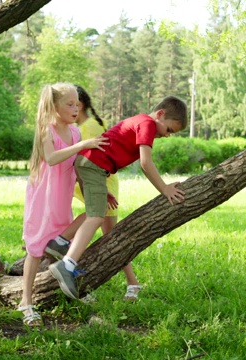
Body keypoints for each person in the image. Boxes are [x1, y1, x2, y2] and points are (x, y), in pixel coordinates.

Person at [48, 95, 188, 300]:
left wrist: (103, 191)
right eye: (168, 130)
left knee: (96, 212)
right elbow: (145, 163)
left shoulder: (140, 121)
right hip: (93, 165)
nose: (167, 136)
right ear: (160, 114)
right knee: (97, 217)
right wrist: (164, 188)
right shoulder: (147, 124)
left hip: (91, 165)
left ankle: (59, 242)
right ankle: (67, 265)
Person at [17, 82, 108, 326]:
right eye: (69, 104)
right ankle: (26, 302)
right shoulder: (47, 130)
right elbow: (52, 158)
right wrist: (82, 146)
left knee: (69, 237)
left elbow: (77, 168)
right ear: (54, 106)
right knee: (36, 249)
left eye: (77, 103)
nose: (75, 108)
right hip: (43, 198)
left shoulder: (76, 133)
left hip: (62, 198)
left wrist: (95, 192)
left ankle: (69, 284)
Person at [46, 85, 141, 301]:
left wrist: (103, 188)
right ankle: (61, 247)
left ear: (82, 106)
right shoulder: (87, 125)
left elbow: (100, 157)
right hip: (92, 180)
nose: (71, 110)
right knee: (99, 226)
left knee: (109, 233)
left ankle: (132, 282)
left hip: (101, 181)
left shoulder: (89, 127)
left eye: (74, 105)